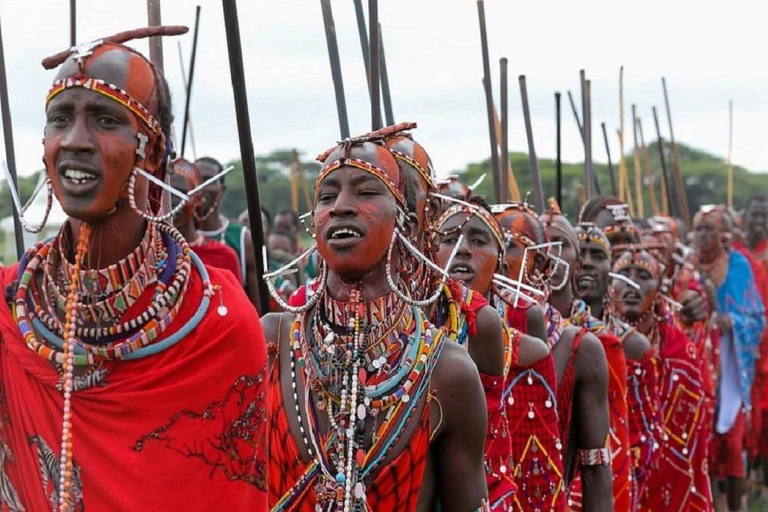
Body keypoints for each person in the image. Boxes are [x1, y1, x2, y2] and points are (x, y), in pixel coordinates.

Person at [0, 29, 267, 510]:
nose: (75, 141)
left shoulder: (217, 321)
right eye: (60, 119)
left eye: (105, 119)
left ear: (154, 152)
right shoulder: (8, 308)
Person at [262, 136, 490, 511]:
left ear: (408, 225)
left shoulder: (446, 371)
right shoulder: (271, 342)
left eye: (366, 192)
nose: (340, 208)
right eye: (326, 196)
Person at [436, 197, 557, 511]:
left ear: (502, 265)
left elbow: (540, 478)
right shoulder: (404, 345)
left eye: (478, 240)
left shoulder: (527, 351)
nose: (462, 249)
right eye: (449, 239)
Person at [608, 245, 712, 511]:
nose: (632, 284)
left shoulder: (680, 351)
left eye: (643, 276)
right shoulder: (594, 340)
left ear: (658, 292)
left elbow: (691, 439)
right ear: (610, 287)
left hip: (669, 480)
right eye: (623, 275)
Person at [542, 203, 631, 512]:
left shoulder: (600, 344)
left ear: (575, 264)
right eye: (542, 243)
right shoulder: (502, 334)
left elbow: (608, 451)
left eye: (561, 245)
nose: (551, 253)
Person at [694, 205, 765, 512]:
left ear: (722, 235)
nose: (703, 236)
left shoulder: (738, 266)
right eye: (698, 230)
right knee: (702, 443)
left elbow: (757, 318)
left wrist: (732, 323)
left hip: (731, 367)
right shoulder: (688, 266)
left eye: (709, 229)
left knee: (733, 443)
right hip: (698, 363)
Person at [196, 156, 261, 308]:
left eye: (208, 180)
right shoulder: (176, 235)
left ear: (221, 190)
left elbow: (258, 310)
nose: (201, 186)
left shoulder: (242, 239)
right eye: (196, 178)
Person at [171, 159, 242, 281]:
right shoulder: (150, 252)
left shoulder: (224, 255)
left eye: (181, 193)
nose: (173, 201)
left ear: (198, 199)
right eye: (167, 192)